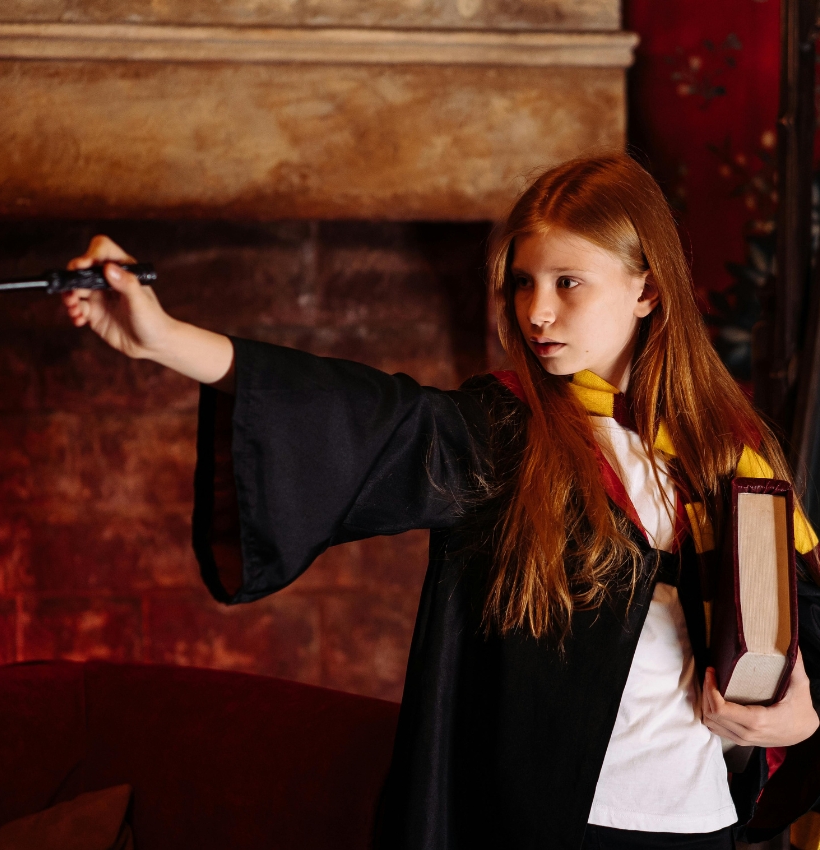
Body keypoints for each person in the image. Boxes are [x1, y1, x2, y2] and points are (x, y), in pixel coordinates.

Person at [62, 154, 820, 850]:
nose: (537, 313)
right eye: (522, 282)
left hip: (708, 823)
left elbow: (800, 630)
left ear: (648, 288)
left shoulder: (729, 452)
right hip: (560, 828)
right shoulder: (502, 434)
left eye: (567, 282)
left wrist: (798, 719)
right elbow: (366, 415)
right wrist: (162, 338)